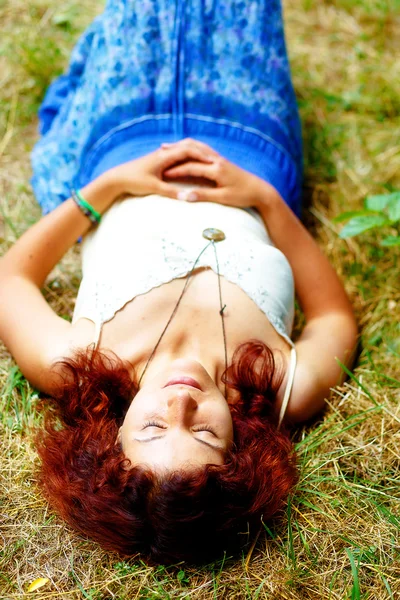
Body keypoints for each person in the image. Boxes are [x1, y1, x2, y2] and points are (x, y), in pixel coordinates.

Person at [0, 0, 357, 564]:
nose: (182, 407)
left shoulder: (79, 363)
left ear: (112, 448)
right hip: (253, 139)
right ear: (238, 454)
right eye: (206, 435)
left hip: (126, 136)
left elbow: (11, 280)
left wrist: (111, 186)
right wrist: (263, 199)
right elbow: (335, 318)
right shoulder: (284, 385)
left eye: (153, 429)